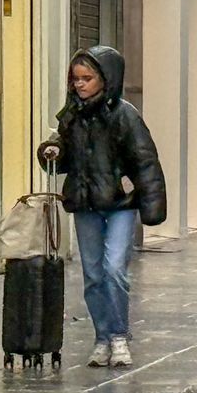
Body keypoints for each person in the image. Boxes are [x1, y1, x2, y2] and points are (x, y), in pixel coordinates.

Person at [38, 46, 166, 368]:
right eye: (75, 79)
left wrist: (152, 207)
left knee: (114, 269)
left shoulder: (125, 115)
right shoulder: (71, 117)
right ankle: (102, 337)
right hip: (86, 204)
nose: (79, 84)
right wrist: (50, 151)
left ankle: (119, 336)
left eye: (87, 78)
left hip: (120, 204)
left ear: (105, 79)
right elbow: (64, 157)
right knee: (93, 274)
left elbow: (145, 161)